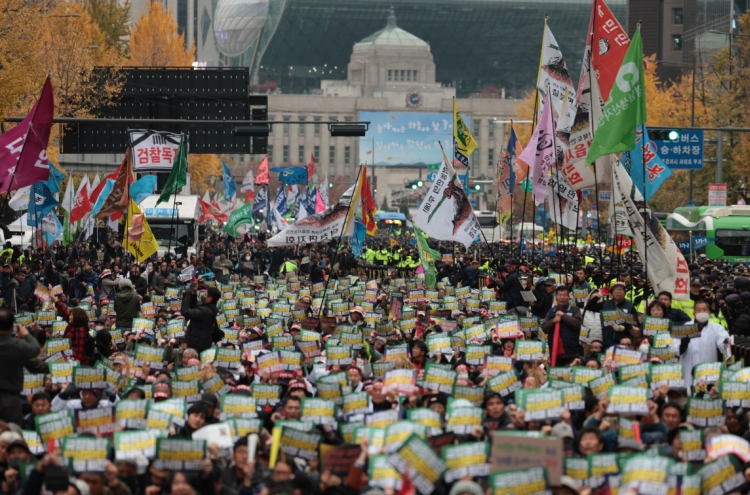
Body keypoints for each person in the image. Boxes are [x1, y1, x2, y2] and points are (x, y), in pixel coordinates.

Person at [0, 309, 40, 425]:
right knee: (14, 435)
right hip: (11, 399)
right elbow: (35, 348)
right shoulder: (18, 346)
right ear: (13, 327)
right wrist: (26, 333)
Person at [678, 299, 730, 388]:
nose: (702, 312)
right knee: (688, 395)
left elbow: (724, 345)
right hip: (688, 371)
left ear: (709, 312)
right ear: (693, 313)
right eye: (698, 310)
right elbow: (676, 349)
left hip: (708, 372)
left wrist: (725, 345)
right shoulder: (684, 327)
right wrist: (684, 342)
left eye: (704, 310)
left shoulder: (717, 328)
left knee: (706, 395)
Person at [50, 293, 92, 366]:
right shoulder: (72, 325)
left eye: (71, 315)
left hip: (76, 364)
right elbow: (63, 311)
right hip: (68, 360)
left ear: (77, 317)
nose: (69, 316)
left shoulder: (80, 330)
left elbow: (79, 353)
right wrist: (54, 298)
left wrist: (72, 364)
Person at [181, 285, 221, 353]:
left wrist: (187, 296)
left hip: (196, 346)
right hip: (200, 343)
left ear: (209, 298)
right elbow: (194, 307)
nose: (203, 296)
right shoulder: (209, 308)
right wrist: (194, 292)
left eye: (205, 294)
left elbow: (185, 312)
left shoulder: (205, 311)